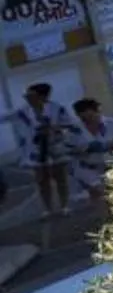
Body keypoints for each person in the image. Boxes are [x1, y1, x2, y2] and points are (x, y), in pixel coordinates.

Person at [8, 81, 77, 220]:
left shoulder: (56, 108)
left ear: (42, 96)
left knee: (60, 178)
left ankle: (64, 206)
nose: (27, 98)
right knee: (42, 181)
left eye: (31, 95)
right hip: (36, 150)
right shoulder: (23, 112)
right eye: (27, 96)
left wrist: (54, 129)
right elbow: (6, 117)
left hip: (55, 147)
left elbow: (70, 124)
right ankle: (47, 209)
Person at [69, 97, 113, 207]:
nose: (87, 120)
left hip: (110, 164)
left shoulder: (112, 124)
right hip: (88, 168)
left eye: (90, 116)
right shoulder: (74, 130)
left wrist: (112, 145)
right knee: (99, 193)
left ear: (96, 111)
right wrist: (85, 149)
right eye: (83, 118)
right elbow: (69, 148)